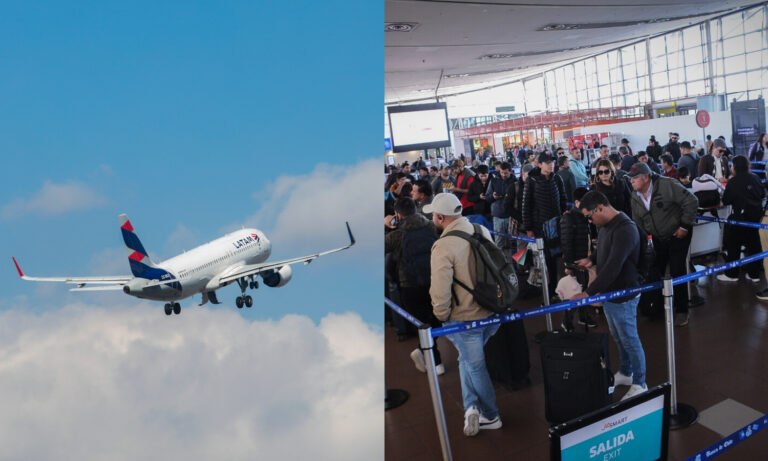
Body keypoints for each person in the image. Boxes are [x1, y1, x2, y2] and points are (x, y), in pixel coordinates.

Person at [425, 193, 502, 436]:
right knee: (466, 360)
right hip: (492, 312)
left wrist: (442, 316)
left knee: (475, 366)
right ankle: (471, 406)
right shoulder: (481, 230)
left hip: (465, 319)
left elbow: (440, 290)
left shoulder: (443, 245)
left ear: (440, 217)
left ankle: (491, 415)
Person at [573, 191, 647, 400]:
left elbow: (614, 265)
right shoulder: (606, 225)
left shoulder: (625, 229)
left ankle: (640, 382)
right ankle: (626, 371)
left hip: (624, 292)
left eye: (590, 216)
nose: (590, 220)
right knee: (618, 335)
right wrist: (591, 259)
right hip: (610, 292)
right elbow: (605, 250)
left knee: (630, 338)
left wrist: (588, 293)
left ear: (601, 208)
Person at [628, 162, 698, 327]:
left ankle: (682, 311)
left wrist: (684, 226)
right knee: (654, 270)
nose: (631, 181)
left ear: (646, 178)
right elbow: (637, 222)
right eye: (630, 179)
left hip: (678, 234)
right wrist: (646, 242)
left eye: (635, 178)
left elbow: (692, 201)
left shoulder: (667, 185)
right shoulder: (634, 196)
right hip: (657, 239)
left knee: (677, 270)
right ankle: (656, 307)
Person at [385, 197, 444, 375]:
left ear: (398, 214)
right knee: (436, 319)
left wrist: (387, 226)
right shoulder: (430, 226)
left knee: (422, 323)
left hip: (409, 284)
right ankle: (428, 354)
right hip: (434, 280)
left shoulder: (396, 235)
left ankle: (434, 360)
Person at [523, 153, 568, 294]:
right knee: (546, 259)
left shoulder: (557, 178)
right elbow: (526, 206)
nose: (551, 164)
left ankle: (560, 286)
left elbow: (563, 198)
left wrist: (565, 213)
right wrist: (529, 228)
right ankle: (548, 289)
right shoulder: (532, 180)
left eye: (552, 162)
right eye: (547, 162)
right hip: (540, 226)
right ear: (540, 164)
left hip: (557, 224)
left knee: (559, 256)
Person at [717, 156, 765, 284]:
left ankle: (732, 274)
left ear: (735, 166)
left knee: (733, 245)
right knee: (754, 245)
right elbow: (762, 194)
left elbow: (726, 200)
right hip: (755, 217)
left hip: (740, 218)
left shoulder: (733, 181)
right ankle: (754, 274)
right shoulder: (755, 177)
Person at [560, 187, 597, 330]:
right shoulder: (569, 218)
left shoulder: (584, 217)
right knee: (574, 292)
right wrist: (569, 266)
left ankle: (583, 317)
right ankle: (566, 321)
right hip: (575, 263)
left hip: (584, 260)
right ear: (577, 202)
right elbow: (566, 243)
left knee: (583, 289)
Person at [486, 162, 516, 249]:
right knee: (499, 243)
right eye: (502, 172)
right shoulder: (494, 181)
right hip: (497, 216)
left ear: (510, 171)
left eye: (506, 173)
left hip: (511, 216)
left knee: (514, 242)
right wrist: (493, 197)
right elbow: (488, 197)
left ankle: (515, 262)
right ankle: (500, 262)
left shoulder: (515, 182)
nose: (503, 175)